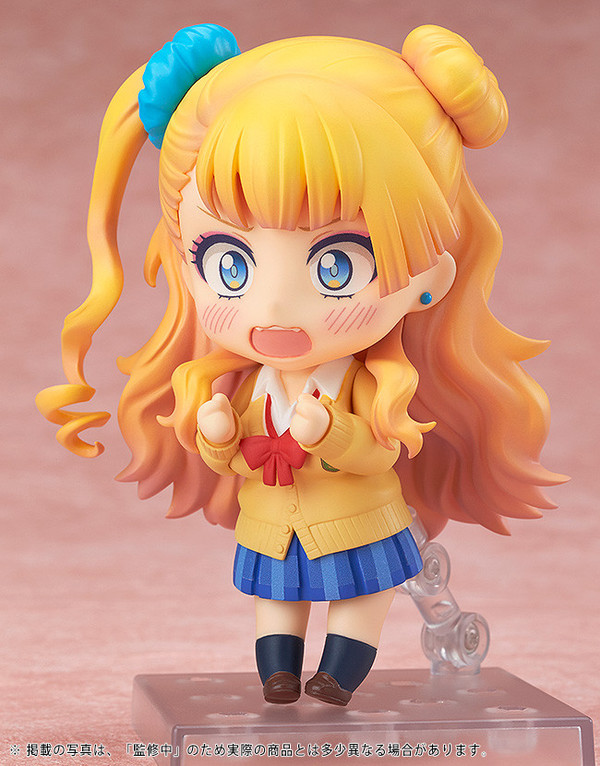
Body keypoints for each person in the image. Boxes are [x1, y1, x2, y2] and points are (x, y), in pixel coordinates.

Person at [36, 23, 566, 706]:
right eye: (230, 265)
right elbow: (233, 458)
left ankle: (339, 674)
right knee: (276, 600)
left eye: (336, 265)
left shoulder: (371, 385)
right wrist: (218, 436)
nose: (275, 305)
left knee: (360, 594)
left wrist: (333, 433)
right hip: (271, 523)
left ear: (430, 277)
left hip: (359, 518)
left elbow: (380, 450)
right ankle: (279, 672)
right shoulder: (247, 386)